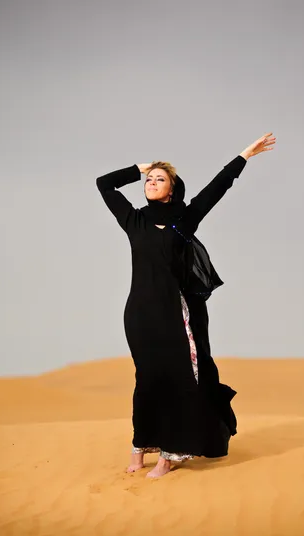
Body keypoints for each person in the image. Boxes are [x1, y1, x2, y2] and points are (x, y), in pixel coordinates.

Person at [96, 132, 276, 478]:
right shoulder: (133, 220)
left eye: (159, 179)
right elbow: (104, 184)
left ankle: (169, 454)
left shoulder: (184, 219)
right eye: (148, 180)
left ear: (172, 188)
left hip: (173, 314)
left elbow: (217, 188)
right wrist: (139, 168)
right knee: (146, 379)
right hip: (139, 314)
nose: (151, 183)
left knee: (178, 380)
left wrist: (244, 156)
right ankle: (140, 447)